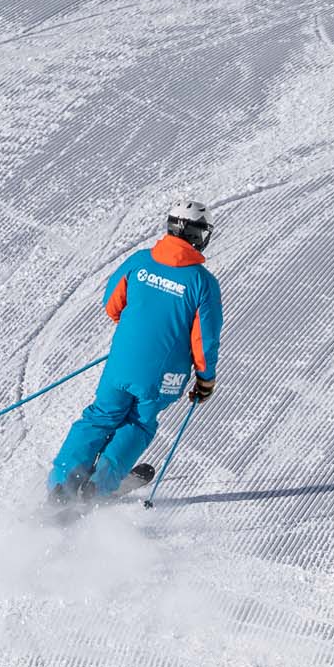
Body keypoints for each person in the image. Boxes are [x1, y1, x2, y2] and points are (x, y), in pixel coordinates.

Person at [48, 199, 222, 500]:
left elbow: (112, 304)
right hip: (164, 373)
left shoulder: (140, 261)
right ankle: (97, 488)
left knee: (100, 416)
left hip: (122, 363)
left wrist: (134, 335)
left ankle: (62, 483)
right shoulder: (202, 283)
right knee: (138, 423)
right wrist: (205, 379)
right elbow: (204, 340)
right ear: (197, 236)